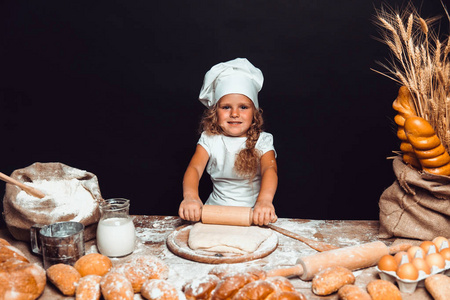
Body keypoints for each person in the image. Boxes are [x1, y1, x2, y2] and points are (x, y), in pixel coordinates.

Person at [178, 58, 278, 226]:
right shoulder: (209, 139)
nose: (234, 114)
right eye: (226, 107)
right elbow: (194, 168)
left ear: (254, 112)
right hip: (213, 215)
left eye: (243, 107)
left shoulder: (262, 141)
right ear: (215, 113)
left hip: (253, 216)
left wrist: (265, 202)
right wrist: (191, 197)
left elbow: (270, 169)